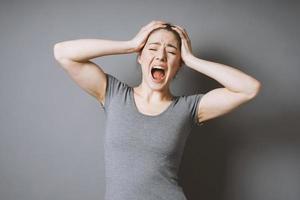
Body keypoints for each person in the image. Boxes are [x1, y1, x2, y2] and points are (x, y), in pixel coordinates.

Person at [53, 20, 261, 200]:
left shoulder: (188, 109)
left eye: (171, 51)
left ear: (178, 64)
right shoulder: (114, 94)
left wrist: (192, 60)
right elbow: (62, 52)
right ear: (140, 57)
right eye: (152, 48)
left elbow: (249, 88)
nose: (161, 55)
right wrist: (130, 44)